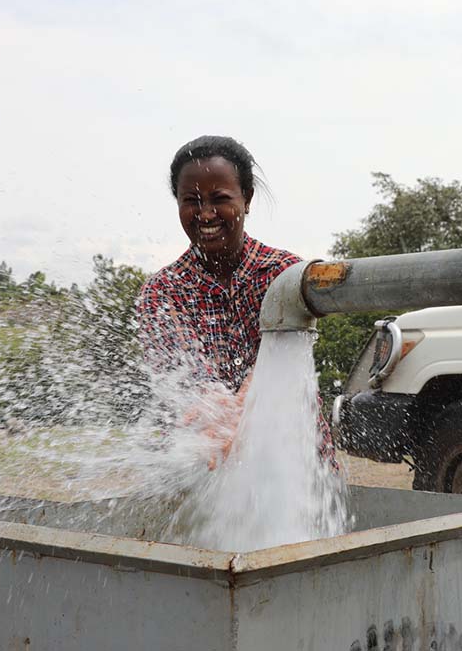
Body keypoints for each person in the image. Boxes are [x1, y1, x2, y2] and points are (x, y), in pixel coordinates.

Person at [136, 135, 335, 465]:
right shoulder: (162, 292)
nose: (206, 214)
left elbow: (286, 358)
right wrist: (214, 409)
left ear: (247, 199)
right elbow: (184, 374)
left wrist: (242, 409)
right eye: (191, 200)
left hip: (296, 463)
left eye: (220, 198)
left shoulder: (282, 274)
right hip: (209, 459)